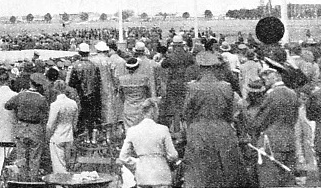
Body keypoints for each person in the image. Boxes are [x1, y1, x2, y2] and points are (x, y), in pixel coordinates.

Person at [182, 51, 245, 188]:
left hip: (198, 130)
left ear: (200, 68)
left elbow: (186, 112)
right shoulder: (226, 87)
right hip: (222, 129)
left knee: (200, 169)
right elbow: (230, 113)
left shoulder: (192, 87)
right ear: (214, 68)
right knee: (225, 169)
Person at [254, 67, 299, 188]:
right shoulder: (292, 93)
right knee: (288, 180)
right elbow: (294, 118)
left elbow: (260, 121)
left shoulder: (271, 95)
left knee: (269, 180)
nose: (265, 78)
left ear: (277, 76)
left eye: (268, 75)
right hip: (289, 140)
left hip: (271, 142)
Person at [118, 98, 178, 188]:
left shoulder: (132, 131)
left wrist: (137, 165)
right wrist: (164, 159)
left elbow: (123, 157)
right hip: (161, 176)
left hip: (143, 175)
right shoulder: (163, 129)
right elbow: (173, 155)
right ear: (153, 112)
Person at [5, 72, 49, 182]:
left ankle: (22, 180)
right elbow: (46, 115)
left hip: (21, 127)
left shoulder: (21, 96)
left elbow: (7, 105)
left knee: (21, 157)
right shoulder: (42, 99)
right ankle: (32, 181)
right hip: (35, 128)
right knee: (35, 158)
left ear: (30, 82)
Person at [66, 43, 101, 138]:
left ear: (79, 52)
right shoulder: (93, 65)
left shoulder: (76, 65)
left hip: (80, 95)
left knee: (81, 117)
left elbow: (71, 83)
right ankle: (90, 136)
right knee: (91, 117)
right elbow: (98, 82)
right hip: (92, 94)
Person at [46, 79, 78, 174]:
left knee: (58, 165)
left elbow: (50, 124)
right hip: (69, 135)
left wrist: (47, 137)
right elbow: (74, 122)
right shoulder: (73, 103)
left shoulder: (55, 105)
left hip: (57, 136)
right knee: (67, 163)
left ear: (55, 90)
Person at [118, 58, 152, 128]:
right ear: (137, 67)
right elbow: (149, 93)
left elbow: (121, 95)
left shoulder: (121, 79)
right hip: (141, 106)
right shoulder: (144, 78)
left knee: (129, 128)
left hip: (128, 107)